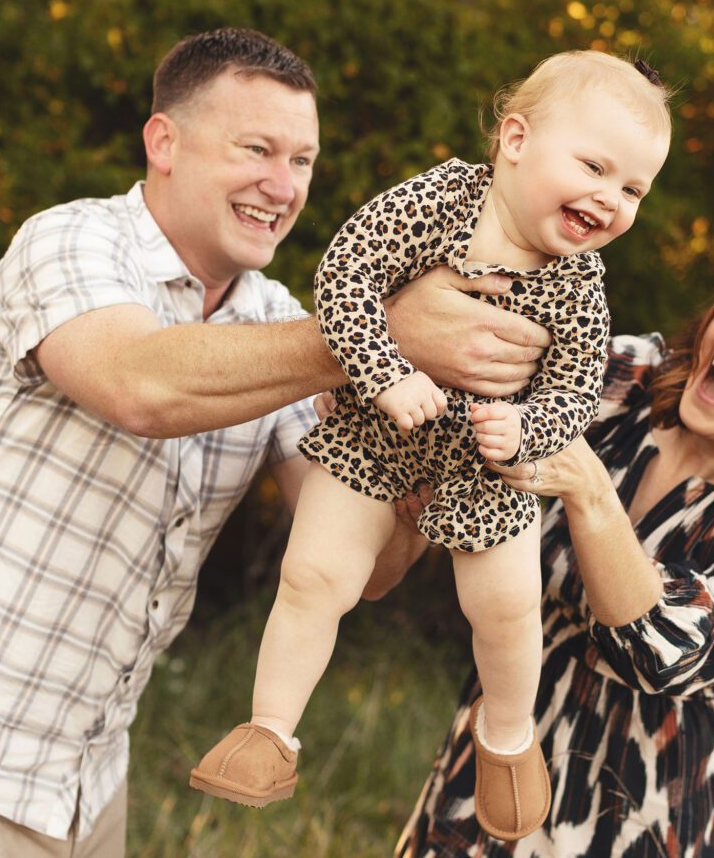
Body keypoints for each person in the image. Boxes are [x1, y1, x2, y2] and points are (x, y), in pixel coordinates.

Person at [0, 28, 551, 858]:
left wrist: (445, 428)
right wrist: (373, 334)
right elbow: (138, 384)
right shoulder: (72, 241)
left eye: (302, 161)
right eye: (257, 149)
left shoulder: (274, 321)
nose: (283, 184)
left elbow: (367, 566)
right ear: (164, 142)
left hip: (86, 780)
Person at [189, 51, 673, 841]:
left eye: (632, 190)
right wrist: (384, 374)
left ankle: (508, 739)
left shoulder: (581, 281)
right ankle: (269, 731)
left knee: (506, 606)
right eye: (594, 166)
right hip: (377, 433)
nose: (609, 199)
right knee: (314, 573)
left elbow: (578, 382)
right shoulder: (441, 200)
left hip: (488, 465)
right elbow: (346, 274)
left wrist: (529, 429)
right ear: (515, 139)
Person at [388, 242, 714, 857]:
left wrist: (590, 492)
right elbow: (486, 347)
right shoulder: (628, 379)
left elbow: (663, 652)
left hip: (645, 809)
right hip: (504, 747)